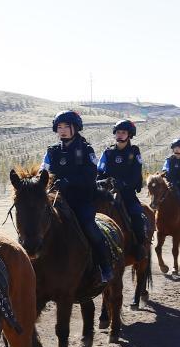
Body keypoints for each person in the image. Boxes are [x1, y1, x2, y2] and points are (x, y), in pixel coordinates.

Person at [41, 110, 113, 283]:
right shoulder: (52, 151)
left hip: (81, 200)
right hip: (57, 199)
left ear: (75, 128)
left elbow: (91, 175)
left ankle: (105, 266)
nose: (62, 130)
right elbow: (43, 171)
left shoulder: (86, 150)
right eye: (59, 127)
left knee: (88, 226)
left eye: (66, 126)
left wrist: (69, 181)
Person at [96, 119, 148, 259]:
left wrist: (123, 184)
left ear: (129, 135)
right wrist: (101, 182)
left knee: (136, 214)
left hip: (127, 192)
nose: (120, 135)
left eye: (123, 132)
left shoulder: (134, 152)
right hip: (107, 192)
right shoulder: (108, 152)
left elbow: (136, 174)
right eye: (118, 132)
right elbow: (99, 171)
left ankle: (140, 245)